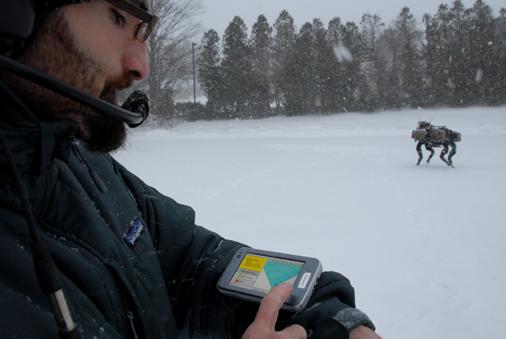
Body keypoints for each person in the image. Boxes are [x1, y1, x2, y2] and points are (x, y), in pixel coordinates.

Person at [0, 1, 381, 338]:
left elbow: (195, 260)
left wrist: (322, 314)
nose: (141, 66)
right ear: (15, 17)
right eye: (118, 17)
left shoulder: (80, 165)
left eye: (144, 34)